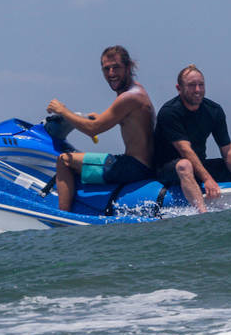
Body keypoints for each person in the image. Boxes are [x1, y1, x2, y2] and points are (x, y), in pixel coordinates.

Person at [46, 46, 155, 211]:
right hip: (143, 164)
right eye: (106, 69)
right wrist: (99, 118)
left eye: (116, 67)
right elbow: (123, 119)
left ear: (128, 67)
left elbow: (93, 129)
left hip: (133, 166)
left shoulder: (128, 97)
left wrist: (62, 111)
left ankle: (63, 217)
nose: (111, 73)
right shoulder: (135, 90)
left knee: (64, 160)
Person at [154, 64, 231, 212]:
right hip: (168, 168)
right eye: (192, 85)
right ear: (179, 88)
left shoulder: (213, 110)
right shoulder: (170, 112)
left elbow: (227, 149)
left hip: (199, 164)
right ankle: (202, 215)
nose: (198, 90)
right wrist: (207, 179)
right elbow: (185, 150)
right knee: (184, 165)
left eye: (201, 85)